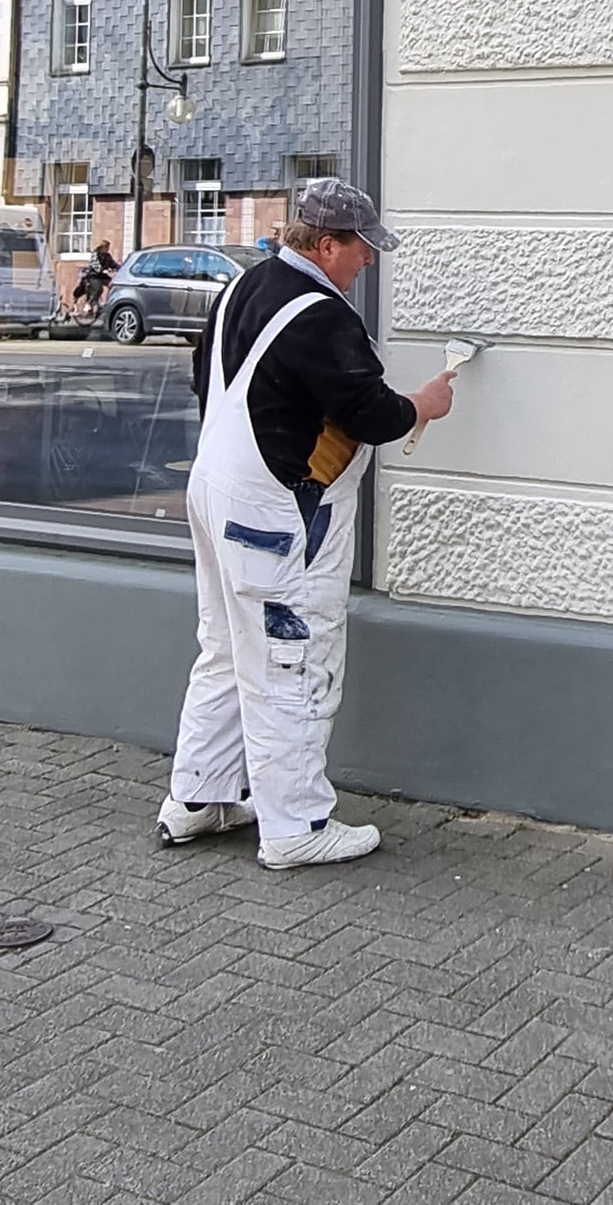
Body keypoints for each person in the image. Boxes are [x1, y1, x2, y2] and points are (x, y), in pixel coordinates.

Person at [160, 177, 453, 869]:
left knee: (226, 648)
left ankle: (200, 797)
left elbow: (211, 380)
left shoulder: (244, 286)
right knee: (287, 660)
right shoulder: (320, 315)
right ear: (325, 245)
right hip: (269, 511)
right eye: (360, 248)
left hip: (214, 490)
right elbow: (370, 414)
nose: (368, 260)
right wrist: (424, 404)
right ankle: (296, 826)